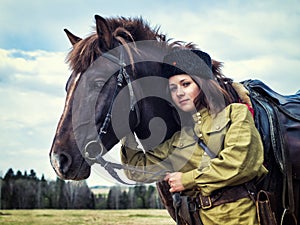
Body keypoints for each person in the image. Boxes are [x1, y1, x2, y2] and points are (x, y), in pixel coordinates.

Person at [120, 49, 268, 225]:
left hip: (239, 218)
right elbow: (136, 169)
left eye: (185, 84)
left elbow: (241, 163)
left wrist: (187, 180)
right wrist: (126, 129)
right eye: (173, 88)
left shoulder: (236, 114)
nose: (179, 93)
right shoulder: (180, 139)